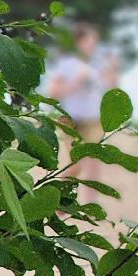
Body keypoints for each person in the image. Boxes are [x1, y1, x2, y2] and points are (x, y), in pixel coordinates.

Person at [45, 22, 121, 183]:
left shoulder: (97, 64)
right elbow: (53, 93)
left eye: (94, 42)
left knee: (94, 165)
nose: (92, 45)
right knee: (76, 165)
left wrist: (114, 68)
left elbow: (113, 88)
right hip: (72, 120)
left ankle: (89, 203)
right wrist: (77, 82)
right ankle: (60, 200)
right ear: (77, 42)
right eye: (89, 41)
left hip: (93, 119)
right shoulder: (67, 64)